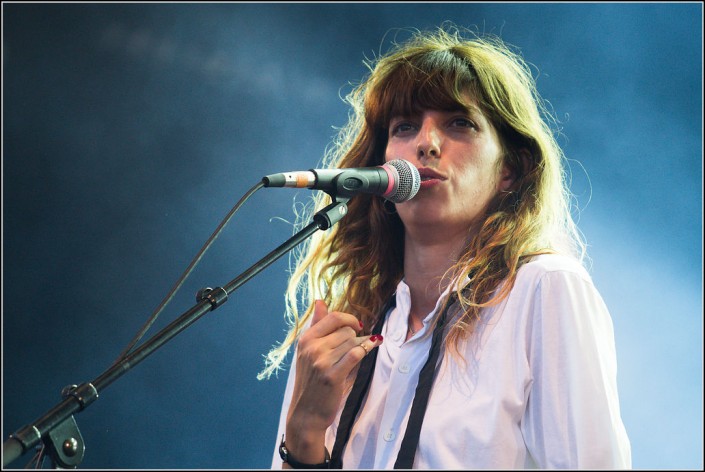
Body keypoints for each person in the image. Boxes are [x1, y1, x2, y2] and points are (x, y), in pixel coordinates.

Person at [258, 25, 632, 469]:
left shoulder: (544, 290)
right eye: (405, 126)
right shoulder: (344, 324)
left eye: (459, 123)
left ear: (510, 170)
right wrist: (303, 433)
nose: (426, 143)